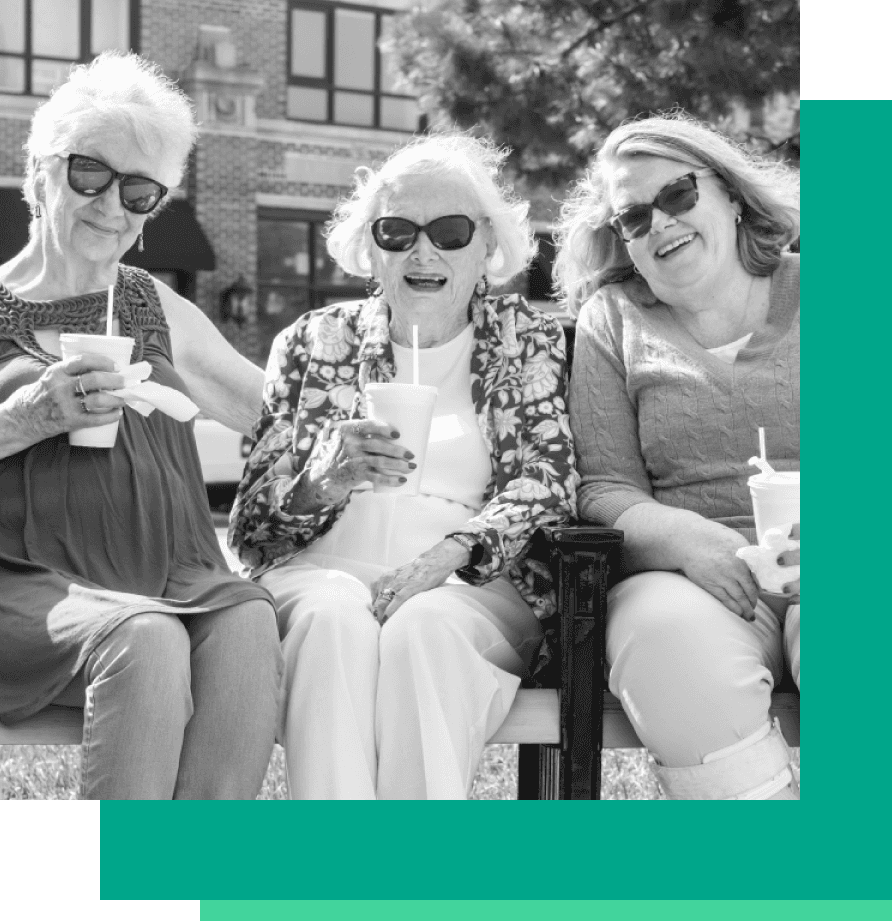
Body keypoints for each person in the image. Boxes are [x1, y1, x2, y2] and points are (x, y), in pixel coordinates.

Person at [230, 133, 577, 799]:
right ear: (370, 247)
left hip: (470, 586)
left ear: (487, 244)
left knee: (425, 627)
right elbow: (250, 530)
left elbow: (549, 477)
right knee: (332, 620)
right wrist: (321, 480)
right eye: (397, 232)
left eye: (449, 232)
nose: (423, 252)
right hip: (319, 575)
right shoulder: (312, 340)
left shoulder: (526, 339)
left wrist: (452, 553)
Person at [0, 53, 281, 799]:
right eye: (90, 172)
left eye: (140, 191)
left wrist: (350, 435)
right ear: (39, 169)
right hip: (25, 583)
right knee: (146, 637)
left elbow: (279, 414)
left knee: (248, 622)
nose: (111, 205)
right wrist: (30, 416)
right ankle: (107, 877)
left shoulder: (155, 305)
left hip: (171, 567)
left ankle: (186, 871)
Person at [556, 112, 800, 800]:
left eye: (678, 195)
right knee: (664, 639)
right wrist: (689, 539)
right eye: (634, 218)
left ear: (730, 194)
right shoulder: (612, 319)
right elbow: (604, 487)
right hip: (690, 575)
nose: (660, 223)